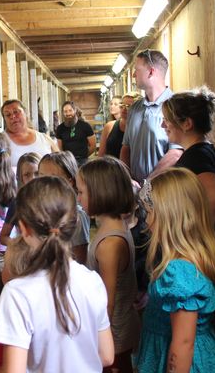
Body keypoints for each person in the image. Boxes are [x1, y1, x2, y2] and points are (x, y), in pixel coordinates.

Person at [0, 177, 115, 372]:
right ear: (73, 224)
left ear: (23, 228)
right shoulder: (93, 282)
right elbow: (106, 356)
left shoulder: (17, 293)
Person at [136, 168, 215, 372]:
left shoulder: (179, 274)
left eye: (149, 212)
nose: (146, 220)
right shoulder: (193, 259)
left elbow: (183, 344)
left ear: (169, 217)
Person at [78, 157, 141, 373]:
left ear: (100, 193)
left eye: (81, 192)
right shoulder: (115, 226)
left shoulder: (110, 244)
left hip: (113, 337)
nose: (78, 198)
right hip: (117, 331)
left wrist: (94, 341)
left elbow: (107, 303)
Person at [162, 86, 215, 254]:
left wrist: (195, 237)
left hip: (199, 251)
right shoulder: (203, 149)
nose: (163, 124)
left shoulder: (196, 155)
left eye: (167, 119)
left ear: (186, 124)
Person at [120, 50, 182, 183]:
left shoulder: (176, 107)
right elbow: (126, 148)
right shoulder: (135, 108)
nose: (133, 74)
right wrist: (128, 180)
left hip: (163, 188)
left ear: (151, 72)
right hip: (135, 188)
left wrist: (148, 183)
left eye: (137, 69)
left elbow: (175, 154)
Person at [38, 152, 90, 265]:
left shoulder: (77, 216)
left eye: (53, 178)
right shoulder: (41, 210)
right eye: (41, 176)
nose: (44, 184)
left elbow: (80, 259)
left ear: (70, 181)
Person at [1, 99, 59, 172]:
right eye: (8, 115)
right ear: (4, 119)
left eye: (16, 112)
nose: (12, 116)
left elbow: (60, 163)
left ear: (26, 113)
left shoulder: (44, 138)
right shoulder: (0, 141)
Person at [0, 152, 41, 247]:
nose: (32, 179)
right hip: (26, 257)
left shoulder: (50, 201)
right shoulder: (17, 203)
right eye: (27, 175)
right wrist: (18, 245)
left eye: (37, 173)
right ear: (20, 178)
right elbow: (3, 237)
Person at [55, 101, 96, 166]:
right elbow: (60, 148)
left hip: (83, 160)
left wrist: (83, 156)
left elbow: (93, 146)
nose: (68, 113)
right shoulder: (60, 128)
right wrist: (67, 159)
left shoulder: (85, 126)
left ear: (75, 111)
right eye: (65, 111)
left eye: (70, 110)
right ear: (63, 113)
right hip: (68, 161)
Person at [98, 93, 137, 158]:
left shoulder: (142, 129)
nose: (124, 109)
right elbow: (101, 155)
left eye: (128, 106)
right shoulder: (109, 126)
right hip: (111, 167)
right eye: (122, 105)